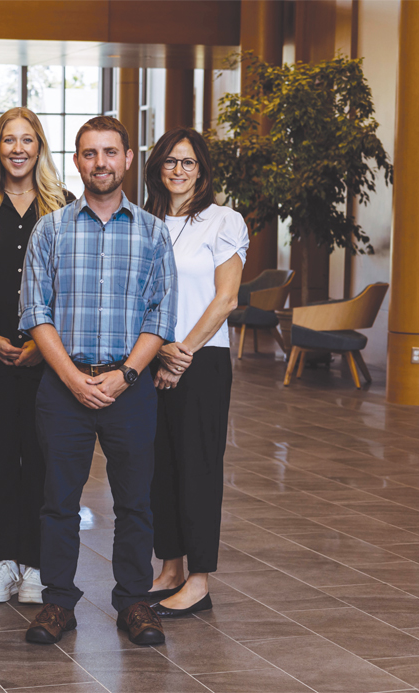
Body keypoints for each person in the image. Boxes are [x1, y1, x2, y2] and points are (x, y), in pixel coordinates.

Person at [19, 116, 177, 646]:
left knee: (135, 501)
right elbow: (36, 312)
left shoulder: (154, 232)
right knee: (58, 501)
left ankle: (134, 602)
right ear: (77, 161)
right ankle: (58, 604)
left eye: (111, 152)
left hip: (129, 390)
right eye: (89, 153)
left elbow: (160, 316)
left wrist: (126, 374)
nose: (100, 162)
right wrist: (70, 377)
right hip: (63, 389)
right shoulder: (51, 229)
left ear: (128, 159)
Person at [0, 107, 73, 605]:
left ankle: (37, 564)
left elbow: (74, 291)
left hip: (51, 357)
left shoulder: (66, 206)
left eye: (28, 140)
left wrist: (40, 346)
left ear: (40, 147)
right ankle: (5, 561)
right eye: (9, 140)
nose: (19, 149)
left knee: (45, 459)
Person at [142, 128, 247, 617]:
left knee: (198, 466)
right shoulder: (144, 221)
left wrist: (181, 351)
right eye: (169, 162)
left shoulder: (222, 221)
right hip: (150, 355)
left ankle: (199, 579)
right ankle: (169, 567)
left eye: (187, 162)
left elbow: (225, 297)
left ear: (201, 170)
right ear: (157, 168)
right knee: (159, 466)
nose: (178, 171)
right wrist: (161, 351)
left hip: (200, 359)